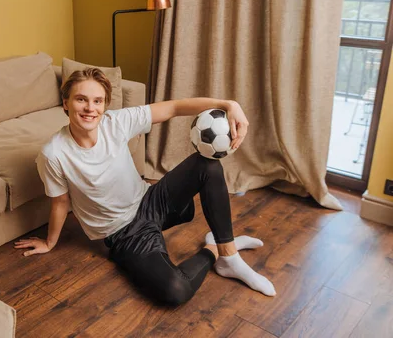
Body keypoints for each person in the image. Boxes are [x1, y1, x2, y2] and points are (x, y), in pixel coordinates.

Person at [14, 68, 276, 305]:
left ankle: (228, 255)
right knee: (175, 291)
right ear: (66, 103)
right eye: (81, 99)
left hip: (150, 201)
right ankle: (211, 250)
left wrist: (229, 104)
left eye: (97, 101)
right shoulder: (53, 154)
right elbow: (60, 202)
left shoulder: (115, 123)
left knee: (207, 166)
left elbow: (174, 107)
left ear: (105, 106)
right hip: (124, 233)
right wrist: (49, 242)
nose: (89, 108)